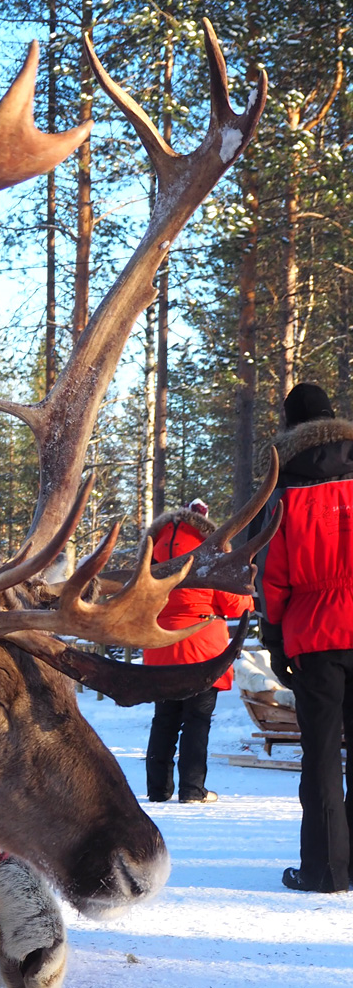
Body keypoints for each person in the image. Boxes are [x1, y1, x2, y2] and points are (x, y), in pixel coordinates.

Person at [260, 381, 353, 892]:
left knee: (320, 756)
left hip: (315, 636)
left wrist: (274, 641)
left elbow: (271, 576)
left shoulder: (284, 490)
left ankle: (324, 870)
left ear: (293, 427)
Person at [143, 500, 253, 804]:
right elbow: (233, 602)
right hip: (201, 647)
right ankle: (192, 790)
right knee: (197, 719)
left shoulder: (153, 550)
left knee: (164, 718)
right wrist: (248, 600)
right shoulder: (213, 548)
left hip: (160, 644)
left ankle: (157, 789)